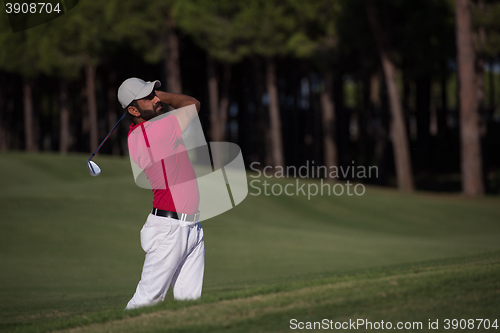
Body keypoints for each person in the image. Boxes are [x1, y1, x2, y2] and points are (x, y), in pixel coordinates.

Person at [117, 77, 204, 309]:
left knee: (190, 307)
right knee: (145, 302)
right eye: (148, 97)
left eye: (154, 94)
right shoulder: (156, 130)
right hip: (170, 231)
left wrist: (150, 96)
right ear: (133, 109)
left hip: (191, 227)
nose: (156, 99)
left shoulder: (141, 131)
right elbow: (192, 104)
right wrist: (162, 95)